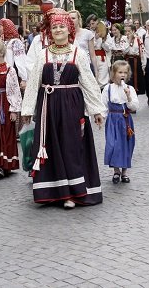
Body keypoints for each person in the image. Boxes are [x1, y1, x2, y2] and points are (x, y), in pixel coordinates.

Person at [21, 11, 105, 209]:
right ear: (50, 31)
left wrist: (96, 111)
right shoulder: (44, 54)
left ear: (70, 30)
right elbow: (34, 83)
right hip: (48, 106)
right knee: (50, 147)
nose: (58, 30)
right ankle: (55, 193)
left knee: (71, 146)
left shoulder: (79, 53)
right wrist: (27, 109)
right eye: (55, 27)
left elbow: (88, 83)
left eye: (62, 26)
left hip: (72, 106)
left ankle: (72, 194)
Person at [0, 40, 22, 178]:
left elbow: (14, 90)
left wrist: (14, 109)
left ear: (1, 53)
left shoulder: (10, 70)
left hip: (5, 105)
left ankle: (8, 164)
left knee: (7, 133)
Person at [101, 61, 138, 184]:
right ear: (113, 73)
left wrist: (128, 96)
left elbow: (134, 107)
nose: (122, 75)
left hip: (125, 120)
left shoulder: (130, 89)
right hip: (112, 120)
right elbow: (104, 105)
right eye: (120, 72)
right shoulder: (108, 88)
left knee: (126, 145)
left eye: (125, 73)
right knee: (113, 145)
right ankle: (116, 171)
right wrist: (101, 118)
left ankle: (124, 172)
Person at [0, 18, 28, 88]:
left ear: (6, 27)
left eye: (0, 27)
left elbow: (20, 61)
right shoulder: (3, 41)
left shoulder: (15, 42)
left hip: (13, 76)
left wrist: (24, 78)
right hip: (3, 75)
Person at [69, 10, 98, 77]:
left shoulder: (87, 33)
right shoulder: (66, 34)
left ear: (78, 19)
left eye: (73, 18)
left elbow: (92, 55)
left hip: (86, 65)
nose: (71, 20)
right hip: (71, 67)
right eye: (69, 18)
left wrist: (96, 71)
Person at [124, 24, 146, 95]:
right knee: (128, 80)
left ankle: (135, 98)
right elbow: (124, 51)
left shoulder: (138, 39)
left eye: (129, 31)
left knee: (137, 81)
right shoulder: (124, 40)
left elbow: (142, 53)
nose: (127, 33)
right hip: (127, 61)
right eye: (126, 31)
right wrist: (129, 40)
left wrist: (143, 65)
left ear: (133, 31)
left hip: (136, 62)